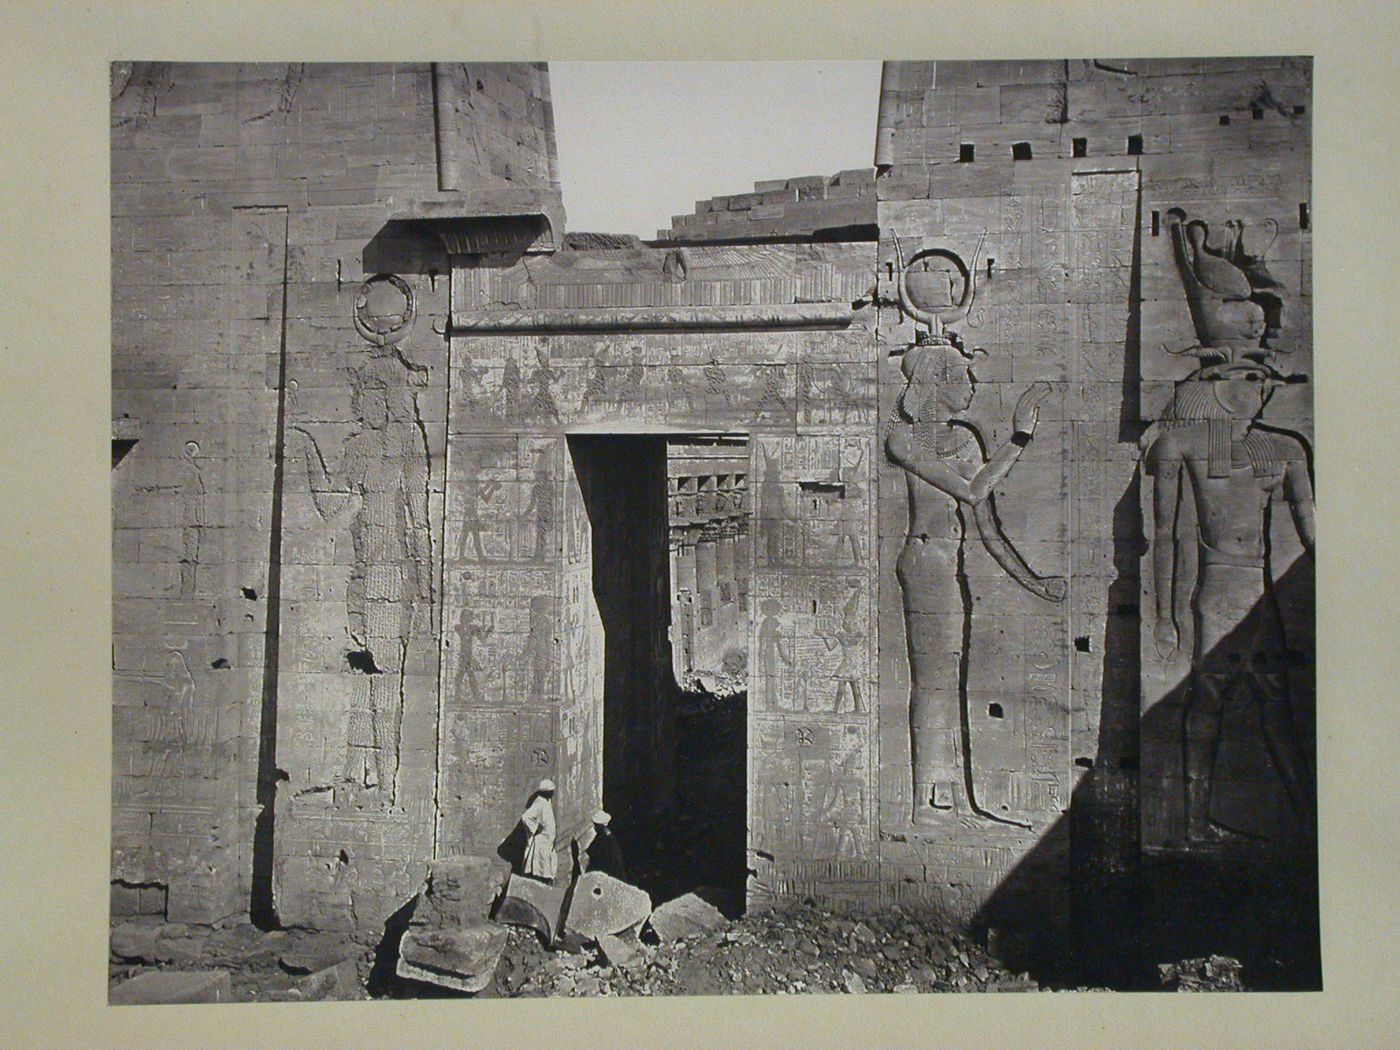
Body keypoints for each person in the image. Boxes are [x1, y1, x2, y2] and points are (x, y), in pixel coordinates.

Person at [885, 339, 1065, 826]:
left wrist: (1033, 581)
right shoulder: (903, 438)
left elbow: (986, 526)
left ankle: (957, 799)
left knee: (952, 679)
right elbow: (970, 488)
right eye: (962, 376)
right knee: (932, 682)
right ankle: (926, 805)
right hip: (924, 565)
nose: (971, 386)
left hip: (949, 566)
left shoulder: (964, 441)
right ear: (935, 384)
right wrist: (1020, 438)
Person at [1145, 364, 1315, 844]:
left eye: (1265, 378)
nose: (1259, 388)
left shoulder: (1285, 447)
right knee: (1211, 701)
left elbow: (1312, 528)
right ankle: (1195, 825)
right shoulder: (1182, 445)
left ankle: (1308, 823)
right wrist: (1163, 616)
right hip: (1218, 593)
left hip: (1258, 592)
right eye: (1247, 375)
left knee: (1276, 708)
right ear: (1216, 386)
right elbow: (1163, 537)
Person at [520, 779, 558, 882]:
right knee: (540, 864)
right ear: (546, 792)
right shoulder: (539, 802)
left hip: (548, 840)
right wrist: (536, 828)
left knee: (546, 864)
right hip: (541, 840)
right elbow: (526, 817)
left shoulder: (547, 801)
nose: (553, 793)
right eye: (551, 791)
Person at [579, 810, 628, 881]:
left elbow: (612, 863)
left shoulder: (609, 841)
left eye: (596, 825)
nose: (594, 828)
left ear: (602, 825)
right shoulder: (600, 837)